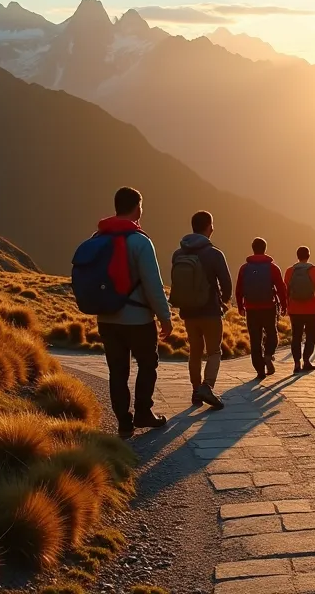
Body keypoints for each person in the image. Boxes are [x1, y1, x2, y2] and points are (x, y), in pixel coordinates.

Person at [94, 187, 173, 439]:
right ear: (138, 208)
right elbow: (153, 284)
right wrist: (165, 317)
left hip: (107, 318)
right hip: (138, 319)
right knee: (148, 364)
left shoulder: (98, 238)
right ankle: (143, 412)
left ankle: (124, 423)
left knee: (117, 371)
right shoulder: (140, 242)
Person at [169, 210, 231, 410]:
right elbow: (226, 284)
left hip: (188, 312)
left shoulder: (178, 254)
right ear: (209, 227)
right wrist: (224, 301)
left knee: (195, 351)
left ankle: (196, 391)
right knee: (214, 351)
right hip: (210, 310)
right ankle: (207, 386)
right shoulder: (214, 254)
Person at [236, 237, 287, 381]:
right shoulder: (272, 268)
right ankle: (269, 355)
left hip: (251, 308)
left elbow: (239, 289)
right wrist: (284, 305)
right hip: (268, 307)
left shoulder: (244, 268)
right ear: (265, 248)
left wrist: (240, 306)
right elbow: (281, 288)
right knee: (272, 334)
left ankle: (260, 371)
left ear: (253, 249)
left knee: (255, 340)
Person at [285, 246, 315, 374]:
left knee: (296, 336)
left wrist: (286, 306)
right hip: (312, 309)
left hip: (294, 309)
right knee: (310, 336)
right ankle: (306, 361)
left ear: (297, 256)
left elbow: (285, 290)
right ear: (308, 256)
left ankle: (296, 363)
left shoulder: (289, 271)